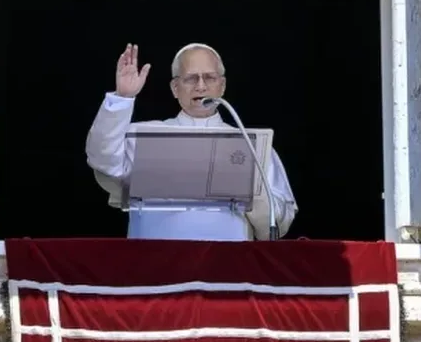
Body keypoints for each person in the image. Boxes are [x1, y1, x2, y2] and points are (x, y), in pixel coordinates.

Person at [85, 43, 298, 241]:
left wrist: (248, 192)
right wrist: (123, 98)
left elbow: (279, 221)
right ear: (175, 88)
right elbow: (102, 159)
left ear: (222, 86)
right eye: (191, 78)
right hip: (155, 263)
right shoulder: (146, 135)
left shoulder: (249, 144)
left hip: (228, 268)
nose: (201, 86)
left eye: (210, 78)